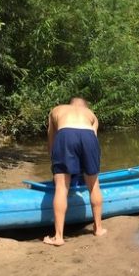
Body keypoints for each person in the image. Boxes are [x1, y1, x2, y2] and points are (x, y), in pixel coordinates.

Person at [43, 97, 106, 246]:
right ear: (85, 106)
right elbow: (93, 142)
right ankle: (98, 228)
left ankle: (58, 237)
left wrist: (55, 160)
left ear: (69, 104)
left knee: (61, 188)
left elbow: (51, 138)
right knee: (94, 185)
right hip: (89, 135)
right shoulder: (90, 114)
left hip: (65, 134)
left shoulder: (56, 110)